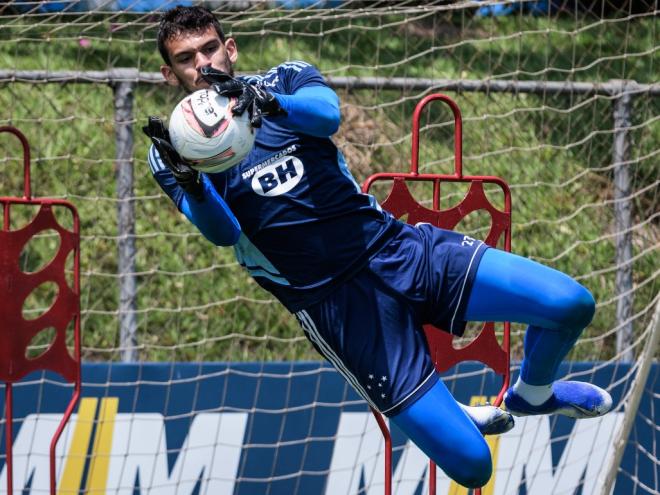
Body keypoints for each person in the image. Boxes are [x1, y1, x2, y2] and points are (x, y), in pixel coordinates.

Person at [143, 5, 613, 489]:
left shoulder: (281, 81)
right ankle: (451, 414)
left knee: (570, 304)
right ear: (169, 74)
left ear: (230, 48)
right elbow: (224, 233)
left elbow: (327, 115)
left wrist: (272, 103)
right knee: (475, 465)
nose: (203, 64)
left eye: (210, 49)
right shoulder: (172, 150)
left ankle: (533, 393)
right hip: (337, 308)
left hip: (397, 249)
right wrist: (193, 182)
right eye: (186, 58)